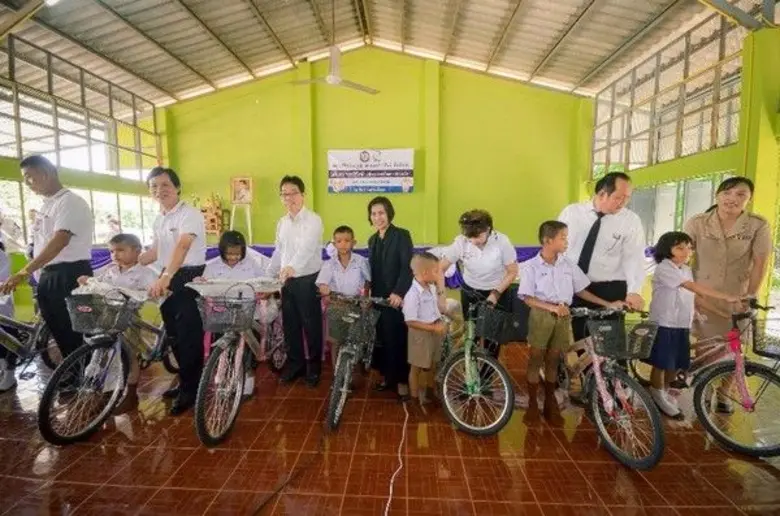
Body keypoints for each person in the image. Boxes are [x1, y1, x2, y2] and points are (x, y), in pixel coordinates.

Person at [518, 221, 623, 426]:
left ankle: (550, 401)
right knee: (536, 358)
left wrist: (607, 303)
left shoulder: (568, 264)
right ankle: (532, 403)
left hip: (563, 315)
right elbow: (527, 298)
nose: (567, 241)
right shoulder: (531, 266)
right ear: (548, 240)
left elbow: (581, 290)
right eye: (563, 238)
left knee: (554, 359)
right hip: (541, 315)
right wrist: (551, 308)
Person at [1, 156, 94, 385]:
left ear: (46, 173)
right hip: (49, 275)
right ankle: (75, 374)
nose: (27, 183)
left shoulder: (70, 202)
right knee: (58, 329)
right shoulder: (46, 205)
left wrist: (24, 272)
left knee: (74, 330)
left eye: (29, 177)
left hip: (70, 274)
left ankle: (88, 379)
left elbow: (60, 241)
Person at [683, 176, 772, 414]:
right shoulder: (698, 223)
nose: (732, 198)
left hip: (737, 297)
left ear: (749, 199)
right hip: (704, 295)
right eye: (727, 193)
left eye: (740, 194)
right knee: (705, 346)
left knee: (734, 349)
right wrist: (690, 292)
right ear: (717, 196)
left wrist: (750, 295)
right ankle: (705, 389)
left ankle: (724, 393)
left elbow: (760, 263)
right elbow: (682, 257)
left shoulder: (757, 225)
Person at [645, 231, 741, 419]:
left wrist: (721, 312)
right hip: (664, 322)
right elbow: (691, 287)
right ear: (667, 249)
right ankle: (656, 392)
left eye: (689, 248)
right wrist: (726, 297)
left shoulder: (685, 269)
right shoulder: (664, 268)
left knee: (675, 362)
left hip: (682, 323)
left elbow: (694, 296)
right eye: (680, 248)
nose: (686, 252)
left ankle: (667, 391)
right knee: (661, 363)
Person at [139, 166, 207, 416]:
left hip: (187, 277)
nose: (160, 190)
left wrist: (167, 276)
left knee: (189, 336)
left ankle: (192, 389)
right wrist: (130, 261)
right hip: (167, 277)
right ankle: (186, 382)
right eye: (154, 186)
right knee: (174, 335)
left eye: (165, 185)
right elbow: (156, 251)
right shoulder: (160, 218)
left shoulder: (189, 214)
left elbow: (183, 246)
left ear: (177, 187)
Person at [558, 172, 647, 346]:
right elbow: (558, 249)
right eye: (618, 197)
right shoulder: (572, 213)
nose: (623, 203)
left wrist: (634, 290)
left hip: (610, 289)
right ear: (602, 194)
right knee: (582, 344)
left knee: (610, 346)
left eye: (627, 198)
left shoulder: (630, 220)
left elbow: (634, 258)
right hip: (575, 287)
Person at [77, 233, 158, 413]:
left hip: (128, 318)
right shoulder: (109, 270)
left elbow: (156, 290)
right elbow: (97, 282)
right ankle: (106, 394)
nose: (115, 255)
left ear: (137, 251)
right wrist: (86, 280)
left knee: (130, 356)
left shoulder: (145, 273)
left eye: (120, 250)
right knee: (104, 354)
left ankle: (131, 394)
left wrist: (153, 292)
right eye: (112, 251)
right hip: (107, 317)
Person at [438, 209, 518, 358]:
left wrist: (495, 294)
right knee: (472, 334)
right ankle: (471, 369)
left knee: (491, 340)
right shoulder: (461, 242)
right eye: (470, 238)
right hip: (471, 291)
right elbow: (439, 269)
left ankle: (488, 369)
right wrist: (441, 298)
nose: (474, 241)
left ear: (488, 229)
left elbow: (512, 271)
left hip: (497, 291)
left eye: (478, 237)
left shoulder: (501, 242)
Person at [198, 230, 268, 399]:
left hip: (248, 314)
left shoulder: (251, 264)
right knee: (226, 349)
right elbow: (204, 287)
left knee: (248, 354)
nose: (234, 257)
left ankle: (248, 384)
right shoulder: (212, 267)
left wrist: (265, 290)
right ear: (222, 251)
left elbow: (263, 281)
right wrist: (202, 284)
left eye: (238, 254)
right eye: (229, 254)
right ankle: (226, 378)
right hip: (224, 315)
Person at [268, 176, 324, 387]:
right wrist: (269, 274)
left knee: (311, 326)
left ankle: (315, 368)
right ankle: (296, 365)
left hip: (307, 280)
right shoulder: (282, 223)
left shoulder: (313, 220)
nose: (289, 198)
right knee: (290, 325)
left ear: (303, 195)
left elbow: (307, 249)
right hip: (287, 281)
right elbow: (279, 251)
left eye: (293, 193)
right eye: (284, 194)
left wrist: (292, 267)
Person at [367, 196, 414, 401]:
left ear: (389, 214)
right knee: (383, 339)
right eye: (374, 214)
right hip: (379, 299)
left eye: (381, 213)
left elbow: (407, 267)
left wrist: (399, 292)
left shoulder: (402, 235)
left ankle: (402, 381)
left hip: (397, 299)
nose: (378, 217)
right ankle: (388, 377)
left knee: (398, 338)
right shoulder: (372, 240)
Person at [316, 225, 371, 371]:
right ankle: (337, 371)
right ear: (334, 244)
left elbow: (368, 281)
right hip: (336, 305)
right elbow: (322, 284)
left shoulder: (361, 261)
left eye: (347, 240)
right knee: (336, 341)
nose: (343, 244)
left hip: (356, 305)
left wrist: (365, 297)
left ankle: (354, 370)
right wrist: (324, 289)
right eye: (339, 241)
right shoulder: (329, 264)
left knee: (355, 340)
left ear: (354, 242)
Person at [403, 252, 448, 407]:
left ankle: (430, 391)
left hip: (433, 331)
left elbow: (436, 308)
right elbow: (410, 321)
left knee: (433, 363)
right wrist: (433, 328)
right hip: (420, 334)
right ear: (424, 273)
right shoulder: (412, 294)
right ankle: (414, 399)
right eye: (436, 271)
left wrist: (441, 320)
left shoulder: (431, 288)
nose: (438, 274)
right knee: (416, 367)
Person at [0, 242, 17, 392]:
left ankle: (10, 373)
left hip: (3, 304)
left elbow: (5, 279)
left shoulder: (2, 257)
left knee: (7, 339)